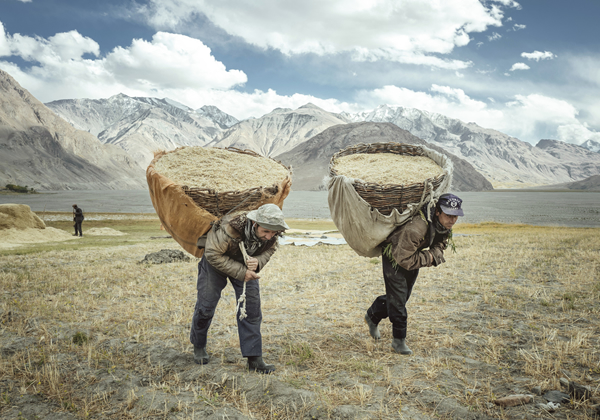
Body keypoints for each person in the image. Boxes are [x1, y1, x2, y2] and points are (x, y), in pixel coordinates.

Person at [190, 203, 289, 373]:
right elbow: (212, 254)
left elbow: (269, 250)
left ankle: (254, 359)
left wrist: (258, 262)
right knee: (206, 306)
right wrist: (242, 272)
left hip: (246, 267)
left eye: (273, 232)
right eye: (265, 231)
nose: (269, 236)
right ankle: (199, 345)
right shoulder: (229, 228)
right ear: (255, 224)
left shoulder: (272, 235)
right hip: (215, 264)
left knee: (251, 309)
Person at [364, 193, 464, 355]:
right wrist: (430, 257)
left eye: (455, 216)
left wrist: (434, 253)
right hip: (395, 257)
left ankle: (372, 316)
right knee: (398, 300)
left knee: (402, 297)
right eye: (449, 215)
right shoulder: (416, 229)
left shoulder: (444, 224)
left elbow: (441, 242)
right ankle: (398, 341)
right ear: (437, 211)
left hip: (412, 254)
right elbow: (403, 259)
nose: (452, 220)